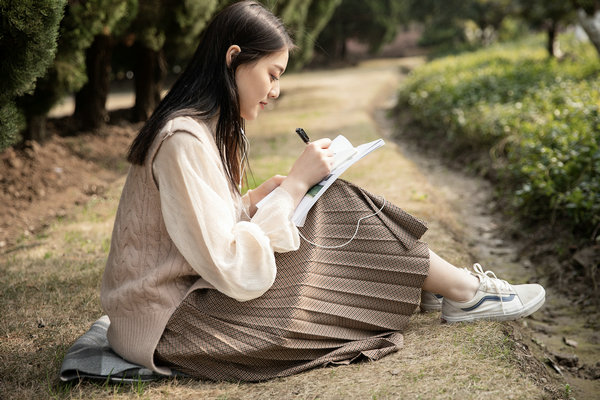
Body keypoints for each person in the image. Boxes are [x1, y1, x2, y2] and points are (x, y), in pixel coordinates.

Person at [101, 0, 545, 382]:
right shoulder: (183, 138)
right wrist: (293, 186)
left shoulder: (198, 130)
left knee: (324, 196)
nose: (274, 91)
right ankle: (460, 291)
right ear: (233, 58)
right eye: (272, 74)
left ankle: (446, 287)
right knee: (327, 202)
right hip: (175, 328)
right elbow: (232, 266)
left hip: (185, 308)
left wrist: (258, 198)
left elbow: (197, 227)